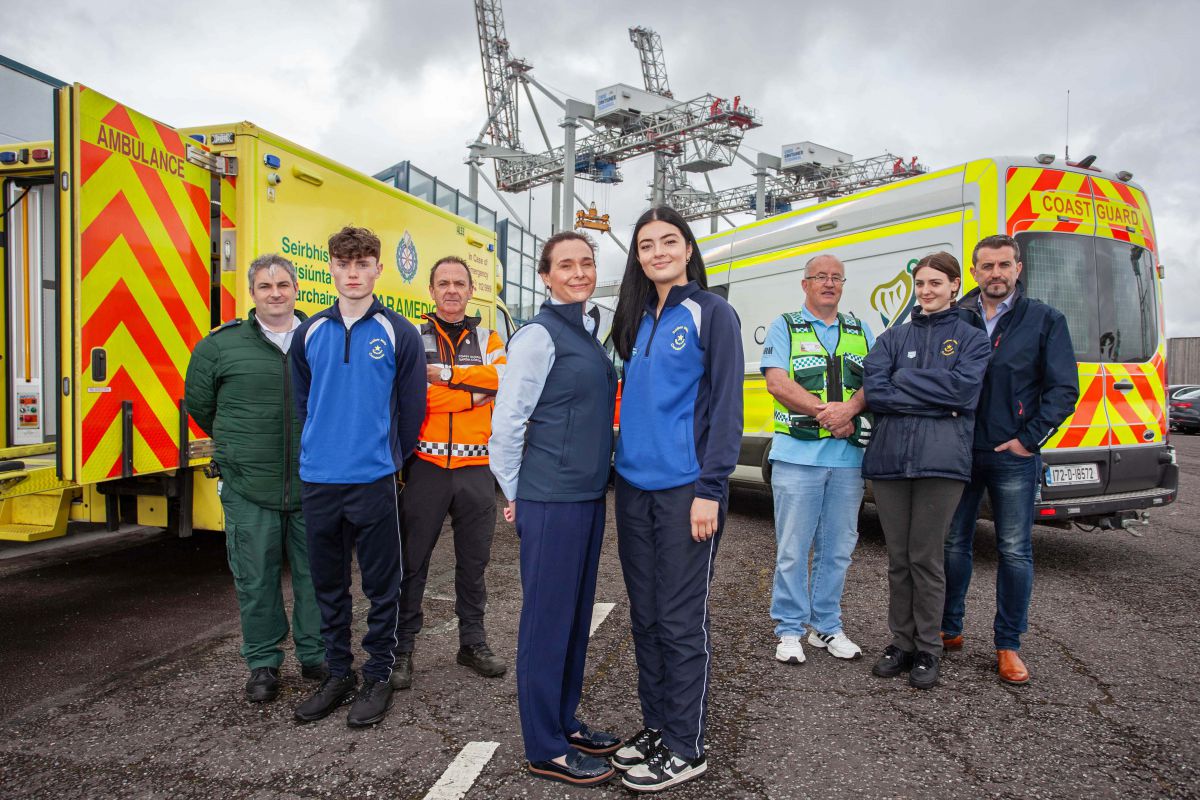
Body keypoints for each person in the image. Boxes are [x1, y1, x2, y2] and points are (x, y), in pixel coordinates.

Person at [609, 206, 743, 792]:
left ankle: (687, 747)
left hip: (688, 491)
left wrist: (710, 490)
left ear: (688, 248)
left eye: (668, 241)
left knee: (680, 620)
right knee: (645, 617)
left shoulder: (712, 312)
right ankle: (659, 727)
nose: (657, 252)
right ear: (637, 257)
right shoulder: (637, 319)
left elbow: (728, 409)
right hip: (633, 488)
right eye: (646, 245)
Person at [489, 231, 620, 787]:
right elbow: (506, 422)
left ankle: (564, 722)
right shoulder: (538, 336)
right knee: (546, 624)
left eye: (586, 263)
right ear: (546, 275)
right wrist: (515, 493)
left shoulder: (588, 330)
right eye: (565, 265)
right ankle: (544, 747)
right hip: (551, 499)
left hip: (585, 497)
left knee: (572, 620)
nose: (578, 272)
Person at [289, 226, 426, 727]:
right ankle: (338, 673)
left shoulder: (399, 332)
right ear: (330, 268)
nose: (353, 273)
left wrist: (387, 457)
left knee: (382, 585)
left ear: (378, 269)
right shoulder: (309, 332)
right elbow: (303, 403)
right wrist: (324, 448)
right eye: (344, 264)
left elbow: (412, 409)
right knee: (328, 584)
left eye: (362, 263)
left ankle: (378, 675)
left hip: (373, 480)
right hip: (319, 481)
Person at [184, 253, 326, 703]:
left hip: (314, 483)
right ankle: (263, 662)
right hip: (248, 485)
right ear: (251, 293)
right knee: (256, 578)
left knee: (317, 576)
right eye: (265, 286)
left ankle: (316, 655)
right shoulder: (219, 347)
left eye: (283, 285)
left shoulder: (320, 338)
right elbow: (201, 406)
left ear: (297, 289)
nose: (275, 294)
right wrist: (240, 448)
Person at [941, 234, 1078, 685]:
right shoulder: (956, 316)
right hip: (959, 452)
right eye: (987, 266)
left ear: (1018, 268)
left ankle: (1008, 645)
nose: (996, 273)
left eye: (1004, 265)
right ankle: (949, 627)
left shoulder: (1045, 319)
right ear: (974, 272)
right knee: (953, 545)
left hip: (1012, 455)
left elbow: (1063, 390)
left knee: (1015, 551)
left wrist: (1027, 440)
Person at [861, 252, 991, 689]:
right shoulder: (892, 337)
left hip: (942, 463)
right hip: (890, 461)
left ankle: (928, 648)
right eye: (920, 284)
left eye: (936, 283)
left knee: (926, 557)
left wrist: (904, 380)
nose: (926, 291)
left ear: (955, 285)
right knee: (899, 559)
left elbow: (963, 393)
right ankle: (901, 642)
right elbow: (876, 391)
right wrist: (935, 397)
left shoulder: (972, 339)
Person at [393, 256, 507, 688]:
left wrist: (444, 375)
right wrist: (471, 395)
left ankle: (472, 643)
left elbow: (501, 379)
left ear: (471, 290)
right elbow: (412, 394)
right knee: (412, 562)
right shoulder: (412, 335)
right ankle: (402, 649)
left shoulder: (490, 336)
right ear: (431, 290)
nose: (452, 290)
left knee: (474, 563)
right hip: (426, 467)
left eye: (460, 283)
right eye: (444, 283)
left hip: (476, 469)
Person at [762, 254, 874, 665]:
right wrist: (828, 414)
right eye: (820, 277)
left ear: (843, 285)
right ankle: (790, 629)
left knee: (838, 549)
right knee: (793, 549)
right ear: (805, 283)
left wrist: (850, 410)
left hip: (848, 461)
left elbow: (875, 381)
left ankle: (826, 626)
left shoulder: (860, 329)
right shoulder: (785, 325)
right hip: (797, 458)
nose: (829, 283)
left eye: (836, 278)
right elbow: (777, 382)